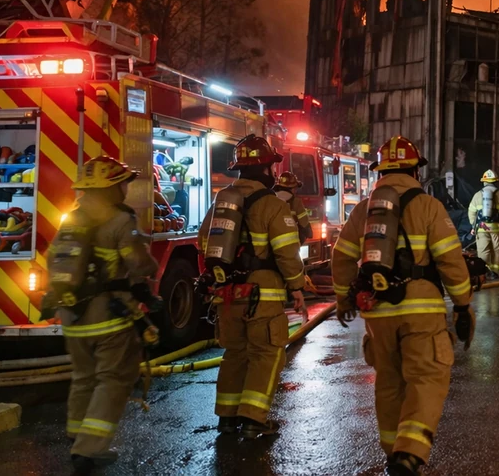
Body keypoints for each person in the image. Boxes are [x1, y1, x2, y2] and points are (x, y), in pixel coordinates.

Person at [330, 136, 475, 476]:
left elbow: (341, 257)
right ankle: (409, 455)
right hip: (421, 310)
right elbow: (451, 262)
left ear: (380, 170)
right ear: (414, 169)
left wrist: (342, 299)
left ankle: (392, 452)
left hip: (377, 311)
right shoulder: (428, 206)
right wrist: (463, 306)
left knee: (389, 382)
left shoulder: (364, 210)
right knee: (425, 378)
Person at [45, 156, 158, 475]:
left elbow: (53, 258)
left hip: (72, 316)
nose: (125, 187)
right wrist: (152, 269)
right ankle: (89, 448)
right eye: (122, 182)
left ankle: (76, 435)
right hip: (108, 318)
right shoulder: (121, 219)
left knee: (84, 377)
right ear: (110, 187)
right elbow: (138, 264)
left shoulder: (72, 218)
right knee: (113, 378)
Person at [200, 135, 307, 439]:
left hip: (227, 294)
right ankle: (253, 420)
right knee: (266, 353)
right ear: (265, 169)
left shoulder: (221, 201)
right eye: (272, 167)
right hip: (263, 296)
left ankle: (227, 418)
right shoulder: (271, 205)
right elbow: (287, 252)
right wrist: (297, 287)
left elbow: (203, 241)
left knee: (235, 353)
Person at [467, 169, 499, 278]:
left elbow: (471, 212)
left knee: (483, 250)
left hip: (482, 228)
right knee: (496, 250)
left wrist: (473, 225)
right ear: (495, 181)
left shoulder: (477, 195)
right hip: (497, 229)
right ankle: (494, 272)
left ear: (484, 182)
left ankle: (483, 273)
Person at [274, 171, 313, 242]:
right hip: (291, 243)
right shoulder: (296, 202)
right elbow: (304, 224)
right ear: (293, 189)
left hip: (273, 242)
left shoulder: (270, 199)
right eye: (295, 188)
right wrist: (308, 233)